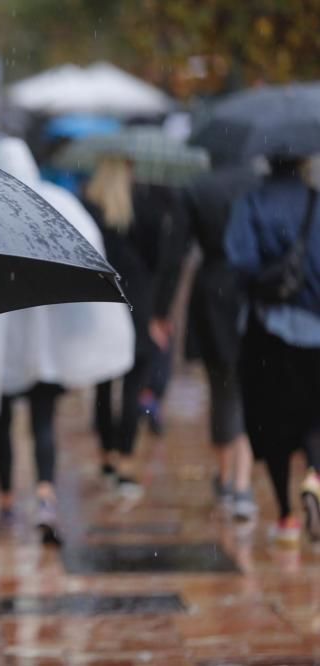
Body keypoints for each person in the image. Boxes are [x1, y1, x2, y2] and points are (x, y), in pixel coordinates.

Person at [0, 138, 134, 541]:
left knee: (0, 422)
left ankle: (5, 500)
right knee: (43, 423)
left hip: (1, 345)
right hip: (47, 347)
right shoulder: (57, 205)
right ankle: (44, 493)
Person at [151, 161, 262, 522]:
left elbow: (174, 255)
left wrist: (161, 311)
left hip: (212, 291)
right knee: (245, 387)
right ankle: (239, 482)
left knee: (222, 387)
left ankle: (230, 477)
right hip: (254, 290)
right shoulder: (258, 184)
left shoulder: (198, 188)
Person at [225, 156, 320, 547]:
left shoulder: (251, 202)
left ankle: (285, 516)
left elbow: (240, 259)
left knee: (271, 423)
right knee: (316, 413)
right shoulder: (317, 202)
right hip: (317, 329)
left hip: (266, 331)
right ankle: (315, 474)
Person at [83, 156, 170, 499]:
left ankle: (106, 456)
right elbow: (158, 260)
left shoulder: (91, 206)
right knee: (133, 385)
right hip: (138, 303)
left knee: (104, 384)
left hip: (104, 301)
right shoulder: (146, 207)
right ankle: (126, 460)